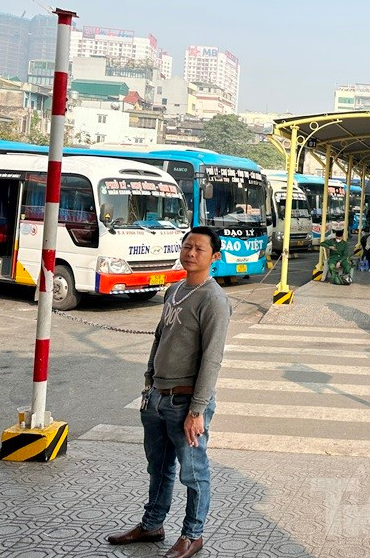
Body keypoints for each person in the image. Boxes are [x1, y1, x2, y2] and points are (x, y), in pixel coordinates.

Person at [107, 227, 231, 558]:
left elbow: (212, 359)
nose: (191, 253)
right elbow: (160, 338)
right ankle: (152, 525)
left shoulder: (214, 300)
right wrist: (148, 384)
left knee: (194, 472)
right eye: (187, 246)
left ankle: (192, 535)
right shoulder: (174, 290)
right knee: (158, 468)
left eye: (199, 249)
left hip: (186, 402)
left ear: (214, 257)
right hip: (158, 397)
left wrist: (197, 411)